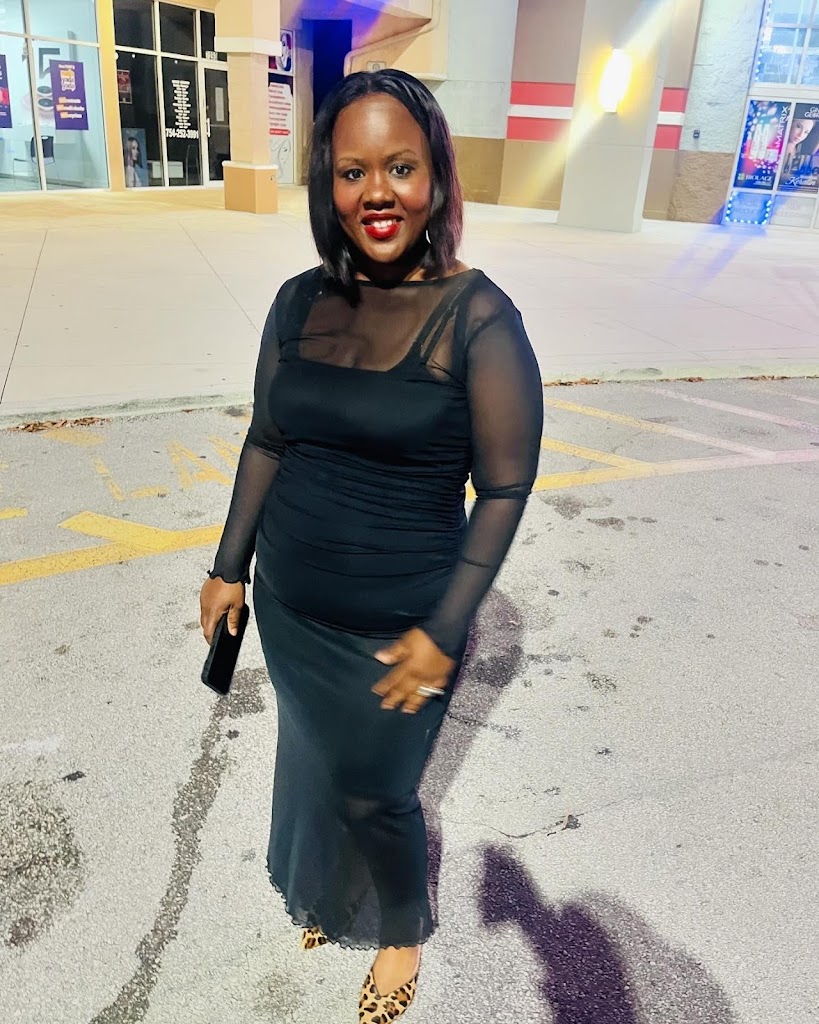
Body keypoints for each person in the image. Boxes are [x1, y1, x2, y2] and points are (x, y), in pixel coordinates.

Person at [200, 68, 543, 1023]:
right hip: (290, 608)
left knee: (376, 794)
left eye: (400, 167)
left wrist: (444, 630)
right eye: (353, 172)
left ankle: (400, 929)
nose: (377, 193)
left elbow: (503, 489)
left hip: (400, 629)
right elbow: (268, 439)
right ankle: (325, 889)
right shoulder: (296, 302)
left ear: (436, 175)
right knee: (313, 760)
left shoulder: (479, 319)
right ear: (328, 185)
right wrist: (229, 567)